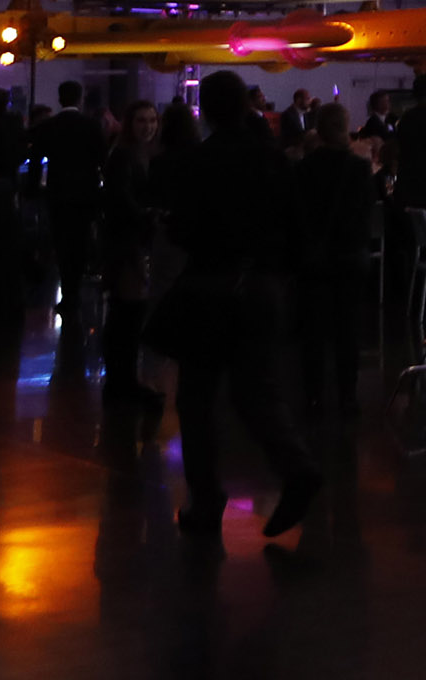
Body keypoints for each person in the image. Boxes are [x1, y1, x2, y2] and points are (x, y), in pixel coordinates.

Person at [157, 71, 321, 539]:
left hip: (210, 285)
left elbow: (182, 230)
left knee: (197, 399)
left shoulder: (195, 162)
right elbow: (297, 229)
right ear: (248, 107)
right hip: (264, 286)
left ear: (204, 108)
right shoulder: (272, 162)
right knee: (257, 391)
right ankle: (296, 464)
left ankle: (206, 501)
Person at [288, 104, 371, 418]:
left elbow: (297, 215)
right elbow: (363, 215)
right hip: (350, 256)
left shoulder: (304, 168)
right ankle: (348, 396)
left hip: (314, 259)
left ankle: (314, 396)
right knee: (347, 331)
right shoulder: (359, 168)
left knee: (314, 332)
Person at [99, 100, 167, 424]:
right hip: (128, 245)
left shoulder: (130, 153)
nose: (148, 127)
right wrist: (148, 216)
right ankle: (121, 381)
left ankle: (120, 380)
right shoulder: (127, 155)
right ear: (130, 123)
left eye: (152, 121)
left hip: (127, 242)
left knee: (126, 315)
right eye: (142, 121)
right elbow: (121, 200)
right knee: (128, 314)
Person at [29, 79, 105, 325]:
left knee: (62, 241)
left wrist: (31, 188)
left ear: (60, 99)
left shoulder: (48, 127)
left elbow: (35, 159)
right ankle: (74, 291)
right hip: (85, 192)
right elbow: (102, 159)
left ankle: (68, 290)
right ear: (80, 98)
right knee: (81, 241)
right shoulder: (91, 126)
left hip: (58, 191)